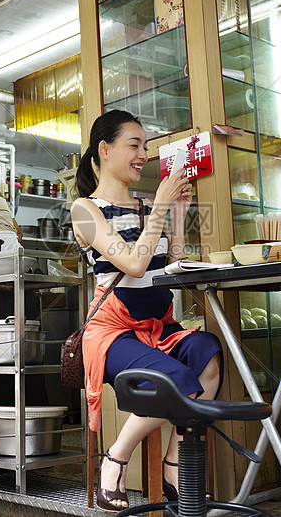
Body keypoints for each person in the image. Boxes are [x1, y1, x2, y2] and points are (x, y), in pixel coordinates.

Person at [71, 110, 223, 512]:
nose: (143, 155)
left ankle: (173, 464)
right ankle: (115, 459)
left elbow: (168, 263)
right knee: (176, 378)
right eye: (134, 145)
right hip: (113, 334)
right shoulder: (86, 210)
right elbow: (133, 265)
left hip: (159, 326)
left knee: (207, 353)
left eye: (146, 147)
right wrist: (160, 208)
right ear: (104, 150)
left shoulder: (145, 205)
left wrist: (175, 214)